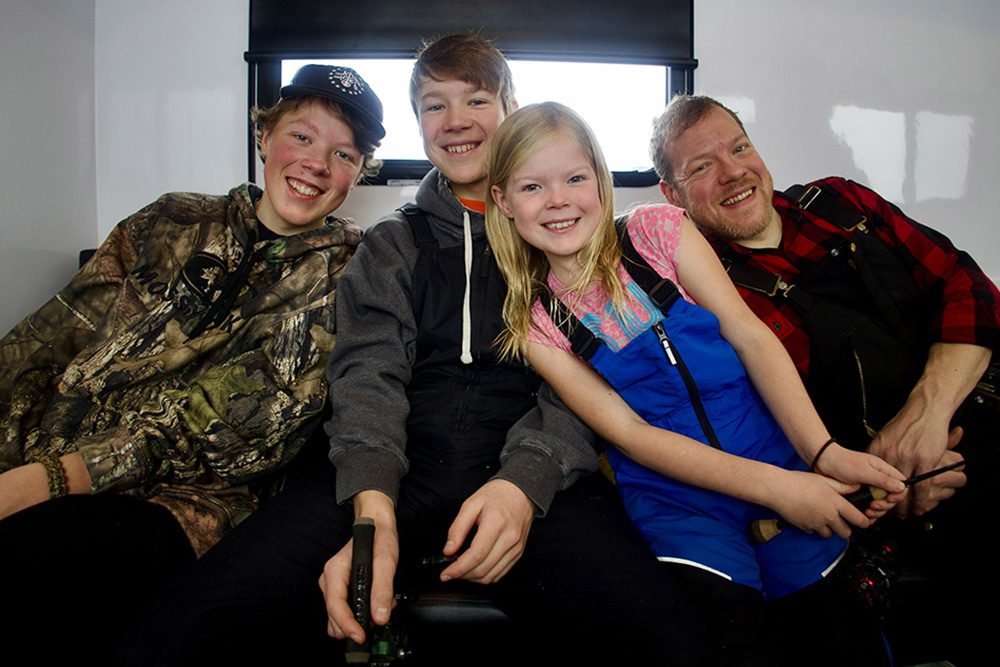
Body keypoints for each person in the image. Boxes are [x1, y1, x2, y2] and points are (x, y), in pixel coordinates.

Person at [120, 34, 712, 666]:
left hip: (529, 469)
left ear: (510, 106)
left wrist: (523, 484)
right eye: (434, 106)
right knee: (192, 623)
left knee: (667, 636)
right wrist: (371, 511)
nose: (455, 121)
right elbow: (366, 376)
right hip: (392, 464)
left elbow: (583, 383)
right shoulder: (390, 245)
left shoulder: (556, 227)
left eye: (476, 100)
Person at [484, 101, 907, 665]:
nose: (558, 200)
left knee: (835, 636)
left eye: (575, 178)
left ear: (602, 181)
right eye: (533, 186)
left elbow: (751, 337)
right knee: (727, 643)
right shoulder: (533, 323)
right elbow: (631, 435)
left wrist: (822, 454)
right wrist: (778, 491)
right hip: (678, 509)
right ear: (503, 202)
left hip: (782, 463)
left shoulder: (658, 233)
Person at [0, 63, 382, 658]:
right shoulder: (168, 220)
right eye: (302, 137)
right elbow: (50, 336)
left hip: (184, 502)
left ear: (357, 175)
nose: (316, 164)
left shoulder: (346, 277)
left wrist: (49, 480)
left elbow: (225, 428)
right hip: (44, 451)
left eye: (344, 155)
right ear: (264, 135)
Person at [650, 94, 1000, 663]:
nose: (734, 172)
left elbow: (966, 285)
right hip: (885, 485)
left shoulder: (840, 201)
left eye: (739, 148)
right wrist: (901, 475)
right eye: (701, 167)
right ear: (672, 198)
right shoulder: (699, 294)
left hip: (962, 416)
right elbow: (758, 430)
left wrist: (927, 417)